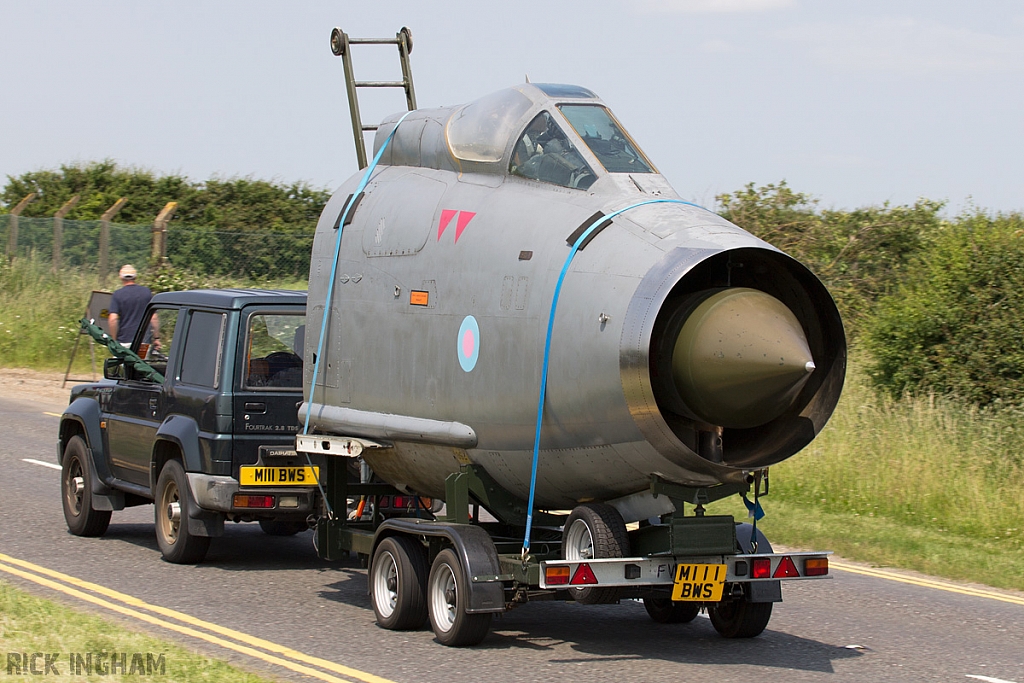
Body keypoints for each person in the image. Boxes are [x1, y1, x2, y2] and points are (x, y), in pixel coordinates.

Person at [108, 265, 154, 346]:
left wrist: (114, 340)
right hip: (144, 341)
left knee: (121, 359)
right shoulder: (146, 292)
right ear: (135, 277)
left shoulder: (118, 294)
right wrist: (157, 338)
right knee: (141, 359)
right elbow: (154, 318)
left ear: (121, 278)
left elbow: (113, 319)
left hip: (124, 341)